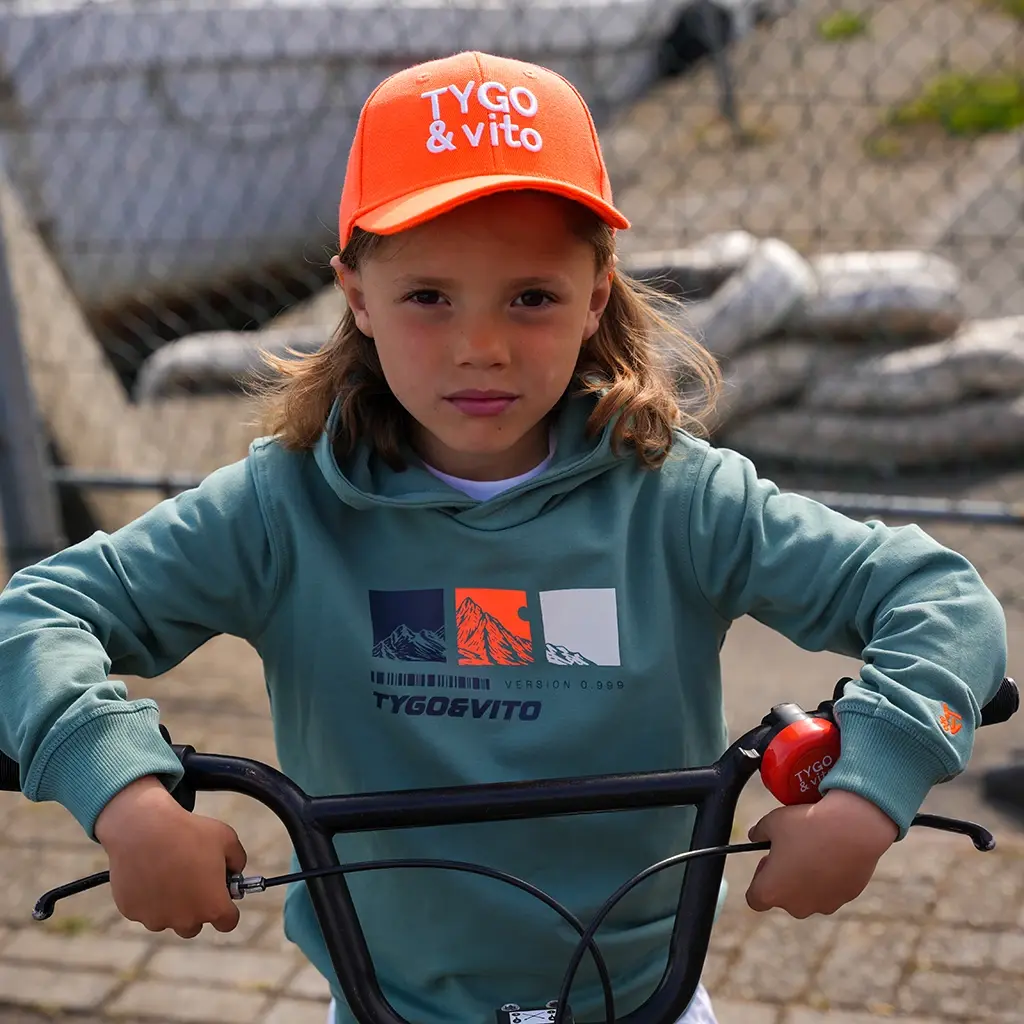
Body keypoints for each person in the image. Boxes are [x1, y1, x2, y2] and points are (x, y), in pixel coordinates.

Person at [0, 50, 1007, 1024]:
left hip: (645, 995)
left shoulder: (681, 499)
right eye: (427, 298)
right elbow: (35, 616)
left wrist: (870, 789)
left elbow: (939, 598)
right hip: (386, 1002)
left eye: (531, 298)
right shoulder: (283, 509)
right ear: (356, 295)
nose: (480, 348)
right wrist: (126, 796)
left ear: (596, 294)